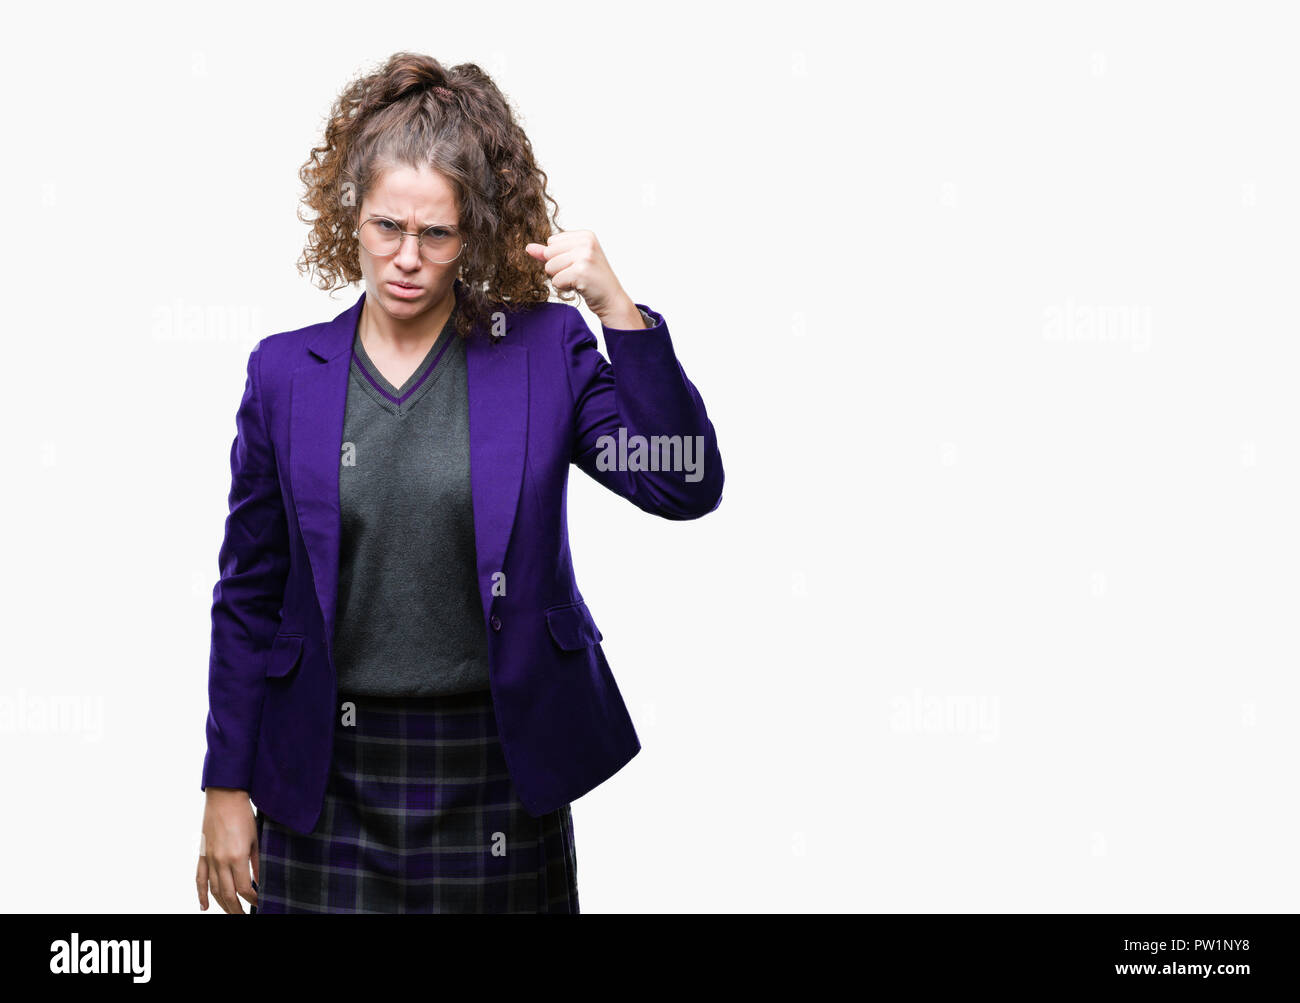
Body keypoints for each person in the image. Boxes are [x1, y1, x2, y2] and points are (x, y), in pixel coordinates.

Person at [194, 52, 724, 914]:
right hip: (323, 776)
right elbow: (248, 595)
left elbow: (683, 481)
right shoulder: (284, 374)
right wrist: (224, 784)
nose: (406, 257)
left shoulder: (543, 350)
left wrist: (617, 310)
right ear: (350, 216)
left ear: (471, 233)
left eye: (435, 234)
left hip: (498, 770)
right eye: (384, 227)